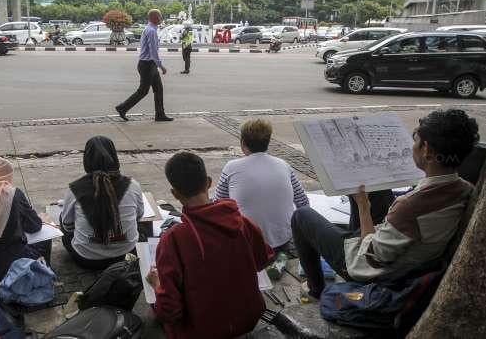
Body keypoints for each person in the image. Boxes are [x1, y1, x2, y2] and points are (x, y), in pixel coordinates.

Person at [291, 109, 479, 300]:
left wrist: (364, 208)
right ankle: (351, 231)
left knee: (302, 216)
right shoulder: (466, 189)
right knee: (376, 192)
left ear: (426, 149)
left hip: (375, 273)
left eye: (415, 141)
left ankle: (316, 289)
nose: (412, 146)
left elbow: (370, 257)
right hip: (411, 250)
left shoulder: (409, 206)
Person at [147, 152, 275, 339]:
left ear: (174, 194)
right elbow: (264, 260)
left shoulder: (174, 239)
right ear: (208, 182)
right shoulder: (243, 223)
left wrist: (157, 284)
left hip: (201, 331)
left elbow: (169, 311)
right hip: (250, 318)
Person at [214, 119, 309, 254]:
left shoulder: (231, 167)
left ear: (243, 143)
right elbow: (303, 202)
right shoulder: (283, 164)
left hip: (248, 243)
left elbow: (218, 206)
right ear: (268, 142)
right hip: (283, 240)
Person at [60, 136, 143, 270]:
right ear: (114, 156)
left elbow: (68, 226)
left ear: (86, 159)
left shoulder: (74, 189)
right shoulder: (133, 185)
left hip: (87, 260)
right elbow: (139, 216)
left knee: (63, 224)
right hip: (126, 255)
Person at [115, 9, 173, 122]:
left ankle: (160, 114)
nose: (161, 19)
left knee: (158, 89)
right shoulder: (151, 31)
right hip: (147, 65)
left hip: (149, 64)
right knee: (143, 91)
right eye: (160, 16)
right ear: (154, 18)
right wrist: (161, 66)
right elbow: (153, 51)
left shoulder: (149, 29)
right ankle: (122, 108)